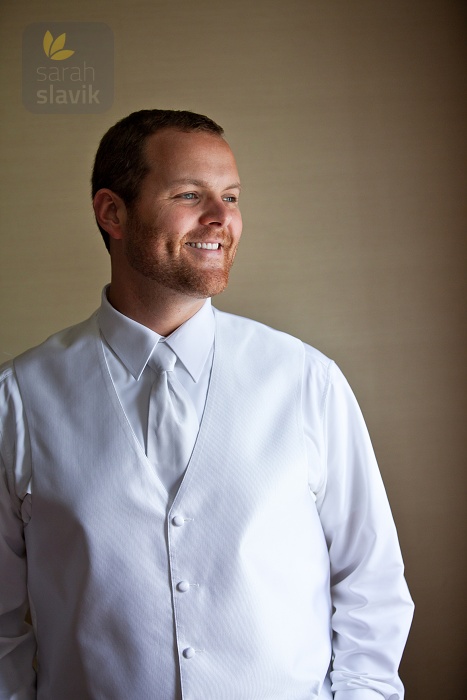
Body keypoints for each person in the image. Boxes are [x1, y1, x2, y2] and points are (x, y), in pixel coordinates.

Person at [0, 109, 414, 699]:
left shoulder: (306, 381)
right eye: (190, 194)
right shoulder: (19, 400)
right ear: (112, 213)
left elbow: (371, 582)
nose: (221, 219)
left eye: (232, 196)